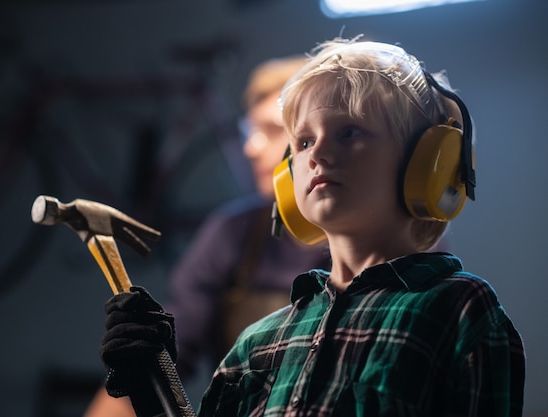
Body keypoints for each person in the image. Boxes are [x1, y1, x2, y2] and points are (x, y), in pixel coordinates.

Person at [97, 36, 526, 416]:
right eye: (303, 142)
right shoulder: (256, 344)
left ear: (428, 168)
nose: (317, 153)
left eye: (349, 132)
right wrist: (153, 387)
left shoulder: (459, 309)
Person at [83, 55, 331, 417]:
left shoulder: (388, 243)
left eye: (273, 130)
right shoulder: (232, 232)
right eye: (251, 131)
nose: (251, 148)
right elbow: (164, 354)